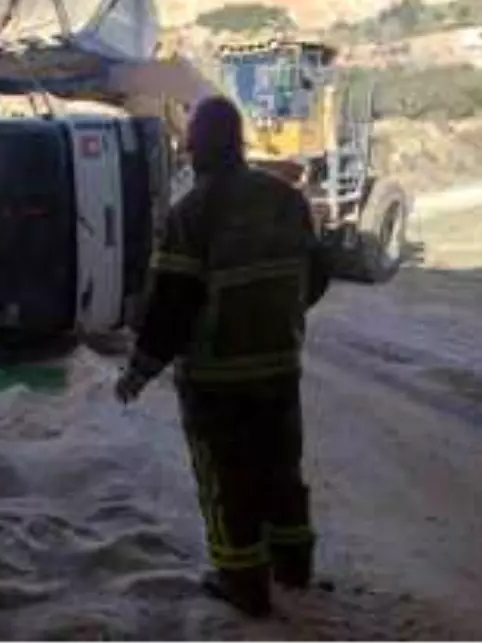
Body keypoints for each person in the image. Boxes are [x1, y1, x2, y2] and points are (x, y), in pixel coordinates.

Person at [114, 95, 332, 618]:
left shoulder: (192, 214)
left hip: (216, 380)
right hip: (280, 366)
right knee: (281, 468)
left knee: (227, 481)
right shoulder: (285, 198)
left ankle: (244, 585)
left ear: (196, 148)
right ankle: (294, 567)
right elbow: (318, 272)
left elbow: (172, 304)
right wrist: (281, 320)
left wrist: (139, 371)